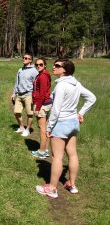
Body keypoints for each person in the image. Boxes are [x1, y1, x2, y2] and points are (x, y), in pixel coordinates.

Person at [36, 58, 96, 199]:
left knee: (57, 156)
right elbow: (92, 98)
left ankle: (52, 188)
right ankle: (72, 185)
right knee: (73, 154)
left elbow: (56, 110)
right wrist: (80, 113)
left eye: (57, 66)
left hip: (61, 123)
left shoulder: (62, 86)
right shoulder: (76, 84)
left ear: (65, 70)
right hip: (73, 123)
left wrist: (49, 127)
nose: (54, 67)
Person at [11, 53, 38, 137]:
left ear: (30, 60)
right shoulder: (20, 70)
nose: (24, 59)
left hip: (28, 95)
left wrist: (34, 96)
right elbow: (17, 82)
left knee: (30, 114)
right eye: (23, 58)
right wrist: (14, 93)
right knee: (16, 112)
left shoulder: (34, 71)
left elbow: (36, 85)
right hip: (19, 95)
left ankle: (28, 129)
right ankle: (22, 127)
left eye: (26, 58)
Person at [31, 57, 52, 158]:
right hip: (46, 103)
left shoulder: (43, 76)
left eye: (41, 64)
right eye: (37, 65)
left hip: (42, 104)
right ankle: (45, 149)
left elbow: (42, 94)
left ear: (45, 65)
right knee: (46, 127)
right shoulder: (43, 74)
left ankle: (42, 151)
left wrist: (37, 108)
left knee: (42, 128)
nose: (38, 66)